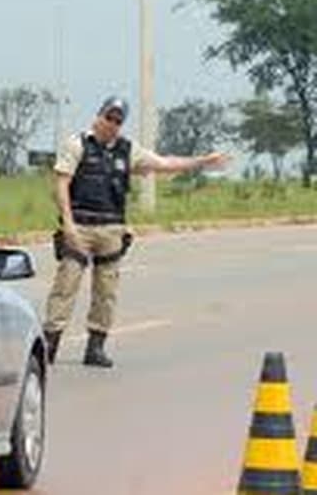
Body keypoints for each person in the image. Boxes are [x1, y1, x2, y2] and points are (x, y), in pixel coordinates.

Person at [44, 96, 228, 368]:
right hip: (79, 227)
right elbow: (62, 185)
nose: (112, 124)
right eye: (109, 117)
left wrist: (202, 161)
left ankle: (95, 347)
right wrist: (68, 224)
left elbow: (164, 164)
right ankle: (49, 345)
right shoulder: (77, 145)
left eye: (118, 120)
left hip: (111, 229)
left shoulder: (127, 151)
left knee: (106, 292)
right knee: (65, 286)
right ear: (99, 115)